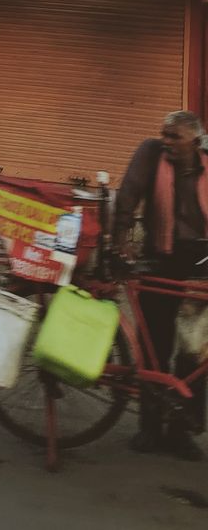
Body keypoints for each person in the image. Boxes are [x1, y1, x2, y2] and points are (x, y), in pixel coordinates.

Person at [115, 111, 208, 461]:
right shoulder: (150, 152)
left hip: (201, 263)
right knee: (154, 343)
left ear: (196, 142)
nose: (166, 141)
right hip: (160, 256)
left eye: (175, 137)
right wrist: (121, 239)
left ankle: (182, 431)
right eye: (164, 134)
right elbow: (128, 195)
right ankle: (149, 428)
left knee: (193, 351)